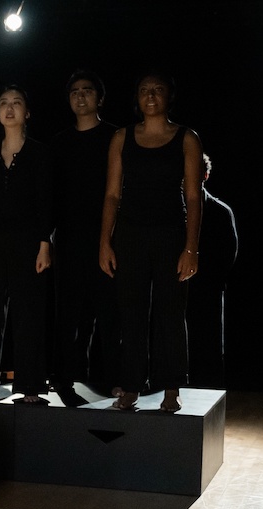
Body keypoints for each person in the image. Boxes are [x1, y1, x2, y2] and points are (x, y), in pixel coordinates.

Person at [100, 70, 203, 413]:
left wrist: (191, 248)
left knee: (170, 314)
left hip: (171, 234)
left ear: (168, 96)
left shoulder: (186, 138)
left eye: (158, 89)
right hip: (130, 234)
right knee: (131, 313)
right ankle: (131, 387)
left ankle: (171, 390)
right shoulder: (122, 137)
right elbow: (112, 194)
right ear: (137, 97)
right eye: (144, 89)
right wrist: (105, 242)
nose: (151, 95)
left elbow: (193, 196)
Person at [0, 84, 54, 403]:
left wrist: (45, 243)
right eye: (3, 103)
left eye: (16, 103)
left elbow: (46, 202)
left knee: (28, 314)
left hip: (28, 241)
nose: (10, 108)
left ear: (27, 112)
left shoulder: (39, 152)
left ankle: (30, 385)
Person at [49, 69, 121, 403]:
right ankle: (65, 376)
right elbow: (51, 195)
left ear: (100, 98)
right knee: (68, 313)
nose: (80, 96)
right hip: (67, 238)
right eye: (74, 91)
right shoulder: (60, 141)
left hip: (107, 237)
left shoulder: (115, 136)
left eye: (87, 90)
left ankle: (113, 380)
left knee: (109, 312)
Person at [187, 153, 238, 387]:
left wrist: (209, 280)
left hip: (207, 289)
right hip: (177, 288)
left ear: (205, 175)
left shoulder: (219, 211)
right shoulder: (174, 211)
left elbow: (228, 252)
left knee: (208, 345)